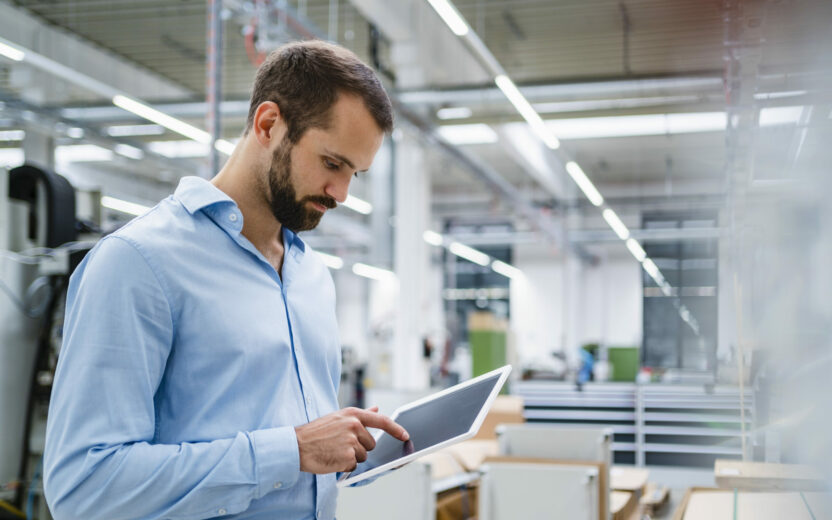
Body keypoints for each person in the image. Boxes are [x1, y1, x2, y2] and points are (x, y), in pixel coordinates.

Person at [43, 40, 409, 520]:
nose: (340, 192)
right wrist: (290, 450)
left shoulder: (311, 275)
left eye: (354, 174)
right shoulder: (138, 263)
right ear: (268, 125)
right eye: (332, 163)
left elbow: (296, 455)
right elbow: (83, 487)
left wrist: (342, 451)